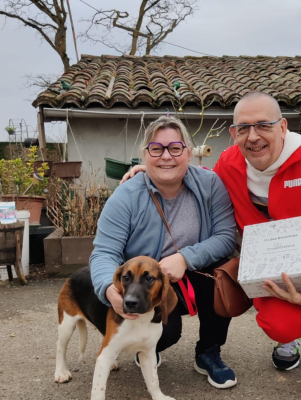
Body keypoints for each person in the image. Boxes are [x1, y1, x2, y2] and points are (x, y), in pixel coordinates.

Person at [123, 92, 301, 400]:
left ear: (282, 127)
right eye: (243, 128)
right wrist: (147, 172)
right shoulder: (229, 165)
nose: (253, 136)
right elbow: (198, 181)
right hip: (278, 275)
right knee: (282, 325)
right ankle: (289, 338)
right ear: (233, 134)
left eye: (263, 126)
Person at [90, 116, 238, 389]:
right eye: (156, 149)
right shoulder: (126, 196)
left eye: (175, 148)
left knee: (222, 274)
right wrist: (107, 289)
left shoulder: (210, 184)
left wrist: (185, 258)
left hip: (195, 270)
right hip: (146, 280)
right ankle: (147, 348)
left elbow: (226, 236)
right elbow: (104, 253)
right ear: (145, 156)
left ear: (189, 153)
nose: (166, 157)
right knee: (166, 334)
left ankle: (208, 352)